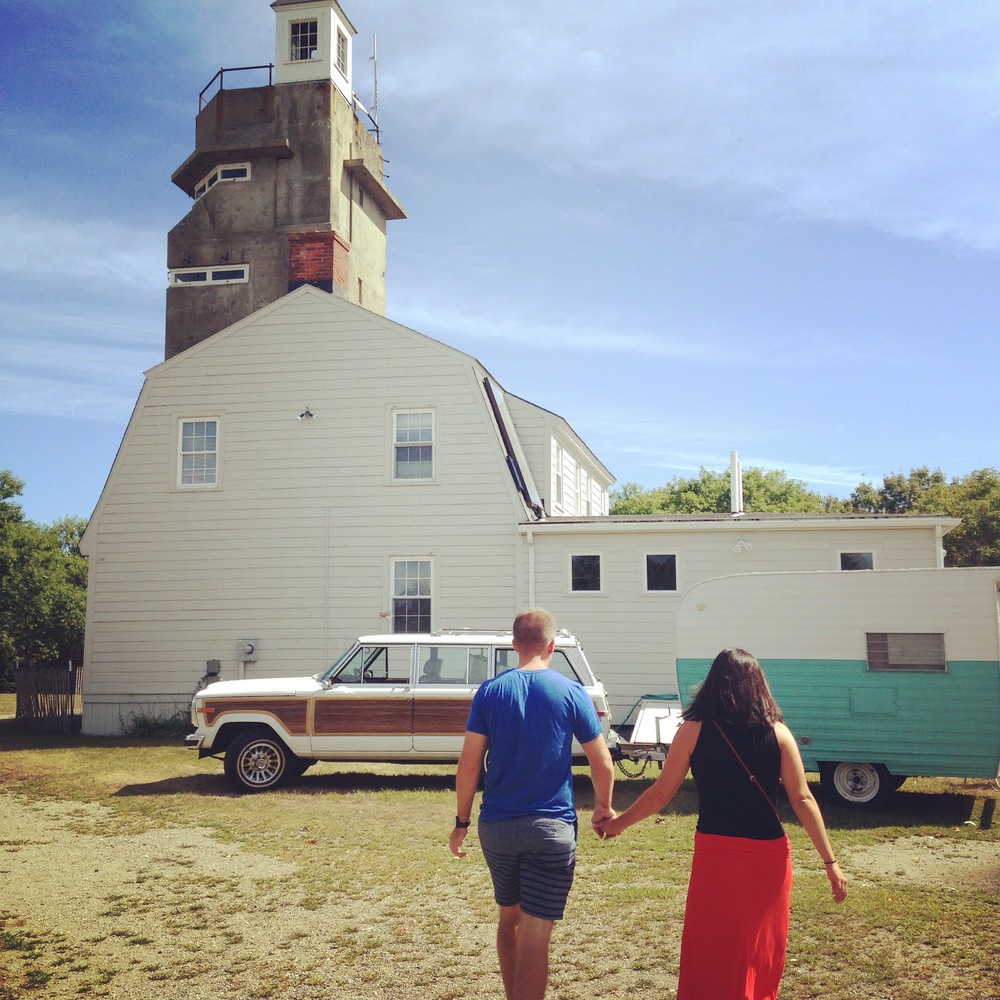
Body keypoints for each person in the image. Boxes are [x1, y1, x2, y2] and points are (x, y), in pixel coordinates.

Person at [597, 648, 847, 1000]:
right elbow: (802, 799)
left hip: (717, 853)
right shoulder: (779, 734)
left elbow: (661, 793)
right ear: (758, 686)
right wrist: (830, 862)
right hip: (769, 855)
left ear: (714, 684)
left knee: (712, 945)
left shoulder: (692, 731)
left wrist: (618, 824)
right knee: (757, 948)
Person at [450, 609, 615, 1000]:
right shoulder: (571, 692)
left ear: (514, 646)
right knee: (537, 934)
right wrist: (603, 808)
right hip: (551, 829)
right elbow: (602, 762)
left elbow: (469, 763)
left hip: (498, 829)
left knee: (510, 918)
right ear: (552, 646)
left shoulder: (490, 691)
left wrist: (461, 821)